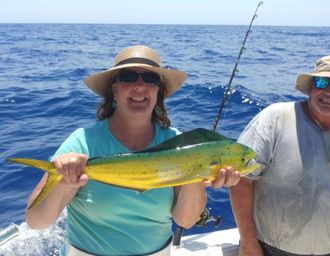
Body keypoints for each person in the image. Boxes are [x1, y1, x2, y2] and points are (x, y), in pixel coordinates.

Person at [25, 45, 241, 256]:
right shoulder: (83, 143)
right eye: (128, 77)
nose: (140, 85)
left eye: (150, 79)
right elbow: (36, 221)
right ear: (115, 90)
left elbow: (185, 220)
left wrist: (200, 173)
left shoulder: (180, 144)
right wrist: (63, 183)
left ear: (159, 91)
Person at [229, 55, 330, 256]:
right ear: (311, 86)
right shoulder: (275, 118)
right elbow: (241, 180)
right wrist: (248, 243)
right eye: (321, 82)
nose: (328, 91)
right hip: (267, 250)